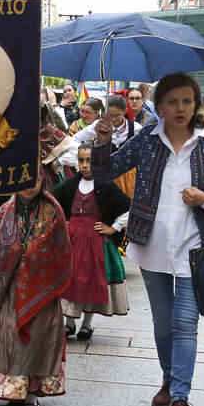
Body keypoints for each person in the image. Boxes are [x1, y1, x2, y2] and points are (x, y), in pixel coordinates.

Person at [92, 72, 204, 406]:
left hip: (196, 247)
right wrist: (103, 137)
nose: (181, 108)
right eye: (173, 101)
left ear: (196, 104)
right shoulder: (147, 140)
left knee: (185, 323)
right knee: (163, 322)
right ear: (159, 107)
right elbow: (105, 171)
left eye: (187, 101)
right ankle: (169, 380)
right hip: (151, 244)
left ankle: (180, 400)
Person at [0, 168, 73, 406]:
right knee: (9, 335)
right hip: (9, 287)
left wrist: (28, 259)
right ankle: (13, 390)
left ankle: (32, 396)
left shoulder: (53, 210)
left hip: (41, 288)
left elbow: (58, 248)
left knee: (38, 338)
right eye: (25, 179)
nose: (31, 185)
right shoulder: (5, 210)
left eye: (36, 179)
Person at [54, 142, 131, 341]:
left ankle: (87, 325)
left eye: (90, 160)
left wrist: (113, 227)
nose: (85, 165)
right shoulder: (70, 185)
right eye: (82, 160)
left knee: (92, 282)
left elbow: (127, 208)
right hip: (73, 241)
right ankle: (69, 324)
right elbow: (53, 202)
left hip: (97, 242)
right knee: (72, 280)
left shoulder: (106, 184)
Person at [72, 95, 142, 197]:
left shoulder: (136, 128)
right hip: (104, 175)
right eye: (110, 115)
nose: (113, 119)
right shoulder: (98, 125)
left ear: (125, 111)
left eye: (117, 115)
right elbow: (75, 139)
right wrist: (86, 153)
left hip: (129, 179)